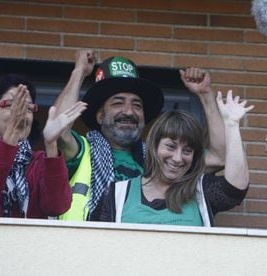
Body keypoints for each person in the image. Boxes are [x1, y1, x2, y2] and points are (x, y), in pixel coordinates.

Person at [54, 49, 226, 221]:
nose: (129, 111)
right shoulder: (83, 150)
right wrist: (79, 73)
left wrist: (205, 95)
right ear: (100, 116)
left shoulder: (164, 156)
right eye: (118, 103)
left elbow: (220, 157)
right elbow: (57, 130)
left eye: (137, 105)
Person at [92, 90, 252, 226]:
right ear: (154, 146)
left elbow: (235, 189)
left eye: (187, 151)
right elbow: (96, 246)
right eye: (170, 146)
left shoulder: (201, 191)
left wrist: (231, 124)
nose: (177, 158)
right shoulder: (116, 193)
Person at [0, 74, 87, 218]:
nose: (21, 113)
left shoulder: (39, 160)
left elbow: (56, 206)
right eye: (11, 105)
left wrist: (51, 145)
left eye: (28, 107)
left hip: (31, 241)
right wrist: (11, 136)